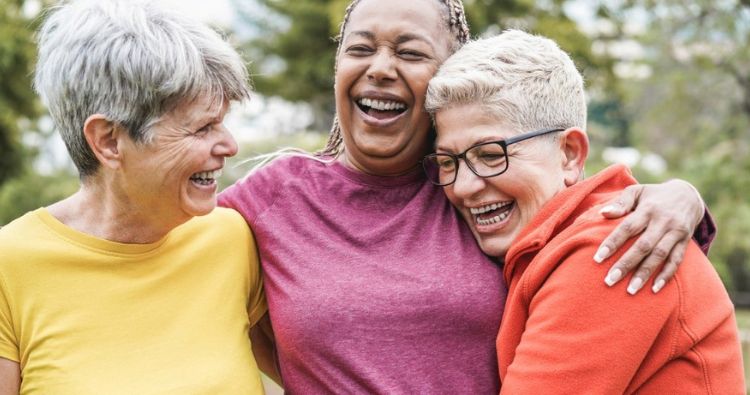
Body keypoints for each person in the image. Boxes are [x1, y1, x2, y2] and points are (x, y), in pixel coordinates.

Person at [219, 0, 715, 392]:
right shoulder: (273, 198)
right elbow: (175, 254)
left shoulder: (477, 195)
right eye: (359, 48)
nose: (381, 68)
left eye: (410, 52)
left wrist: (679, 198)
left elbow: (576, 191)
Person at [424, 29, 744, 393]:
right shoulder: (549, 241)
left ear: (570, 154)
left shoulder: (613, 248)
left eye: (492, 155)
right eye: (448, 162)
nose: (464, 186)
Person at [0, 1, 268, 393]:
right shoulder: (9, 267)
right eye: (202, 128)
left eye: (222, 123)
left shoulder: (234, 240)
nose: (229, 145)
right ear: (109, 142)